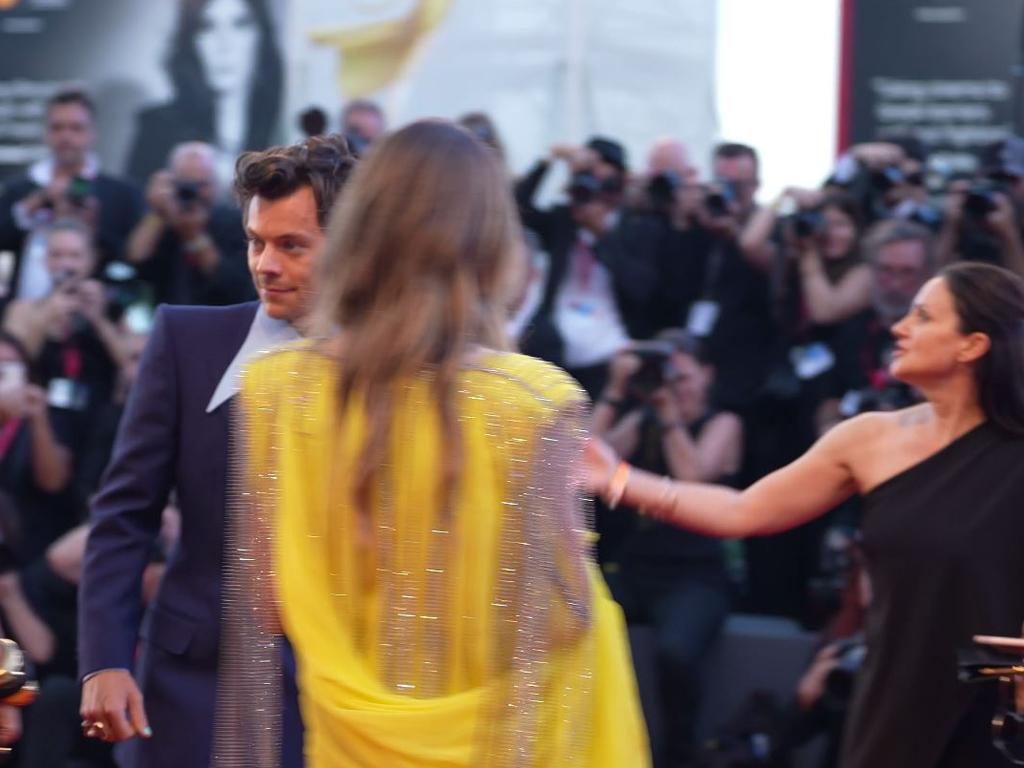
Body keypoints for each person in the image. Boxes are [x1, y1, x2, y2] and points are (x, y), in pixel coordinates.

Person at [215, 119, 650, 767]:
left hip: (347, 744)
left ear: (360, 230)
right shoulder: (533, 400)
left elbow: (270, 610)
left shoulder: (277, 389)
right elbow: (560, 619)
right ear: (491, 243)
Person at [587, 261, 1024, 767]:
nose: (899, 328)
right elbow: (743, 510)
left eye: (923, 318)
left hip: (994, 705)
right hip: (894, 689)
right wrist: (617, 478)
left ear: (972, 345)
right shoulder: (869, 438)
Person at [77, 133, 355, 768]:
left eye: (292, 246)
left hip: (344, 698)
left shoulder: (395, 372)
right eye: (256, 241)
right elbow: (123, 516)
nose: (265, 264)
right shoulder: (187, 341)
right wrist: (106, 661)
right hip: (190, 691)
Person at [594, 331, 741, 767]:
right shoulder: (644, 420)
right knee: (568, 613)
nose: (676, 386)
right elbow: (579, 457)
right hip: (638, 568)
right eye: (668, 376)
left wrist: (668, 415)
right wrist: (616, 391)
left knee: (674, 653)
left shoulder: (724, 423)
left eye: (685, 376)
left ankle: (678, 755)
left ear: (708, 375)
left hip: (697, 576)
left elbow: (691, 482)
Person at [0, 89, 143, 301]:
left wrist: (92, 229)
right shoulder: (20, 189)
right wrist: (29, 209)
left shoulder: (121, 194)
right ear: (46, 133)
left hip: (91, 318)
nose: (65, 137)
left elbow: (129, 262)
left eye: (76, 128)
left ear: (92, 133)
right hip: (23, 316)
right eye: (57, 128)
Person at [124, 0, 284, 187]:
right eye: (208, 27)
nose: (224, 45)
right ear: (191, 41)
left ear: (261, 37)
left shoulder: (279, 133)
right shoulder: (157, 128)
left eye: (239, 24)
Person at [126, 141, 255, 306]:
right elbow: (135, 259)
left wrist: (195, 237)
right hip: (166, 315)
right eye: (185, 184)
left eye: (202, 184)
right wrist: (157, 212)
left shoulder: (237, 223)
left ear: (217, 185)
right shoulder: (162, 220)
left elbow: (233, 284)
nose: (193, 192)